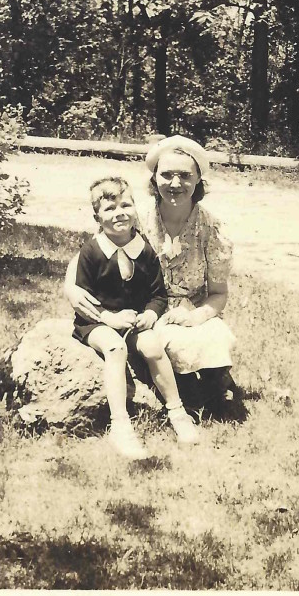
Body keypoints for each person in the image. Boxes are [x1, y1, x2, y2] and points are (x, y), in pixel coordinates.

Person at [67, 175, 200, 459]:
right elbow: (84, 301)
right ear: (96, 216)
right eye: (110, 209)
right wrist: (109, 319)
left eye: (126, 205)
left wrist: (150, 314)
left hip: (135, 320)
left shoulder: (144, 250)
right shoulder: (91, 253)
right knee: (115, 349)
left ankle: (176, 411)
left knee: (152, 346)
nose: (119, 213)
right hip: (97, 322)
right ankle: (121, 425)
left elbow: (158, 294)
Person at [138, 135, 237, 412]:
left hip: (193, 309)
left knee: (214, 337)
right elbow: (96, 253)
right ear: (154, 179)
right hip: (147, 309)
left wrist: (194, 317)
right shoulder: (137, 222)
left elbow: (218, 294)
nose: (175, 184)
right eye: (167, 175)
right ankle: (191, 393)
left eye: (185, 176)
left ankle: (212, 386)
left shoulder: (211, 228)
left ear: (197, 181)